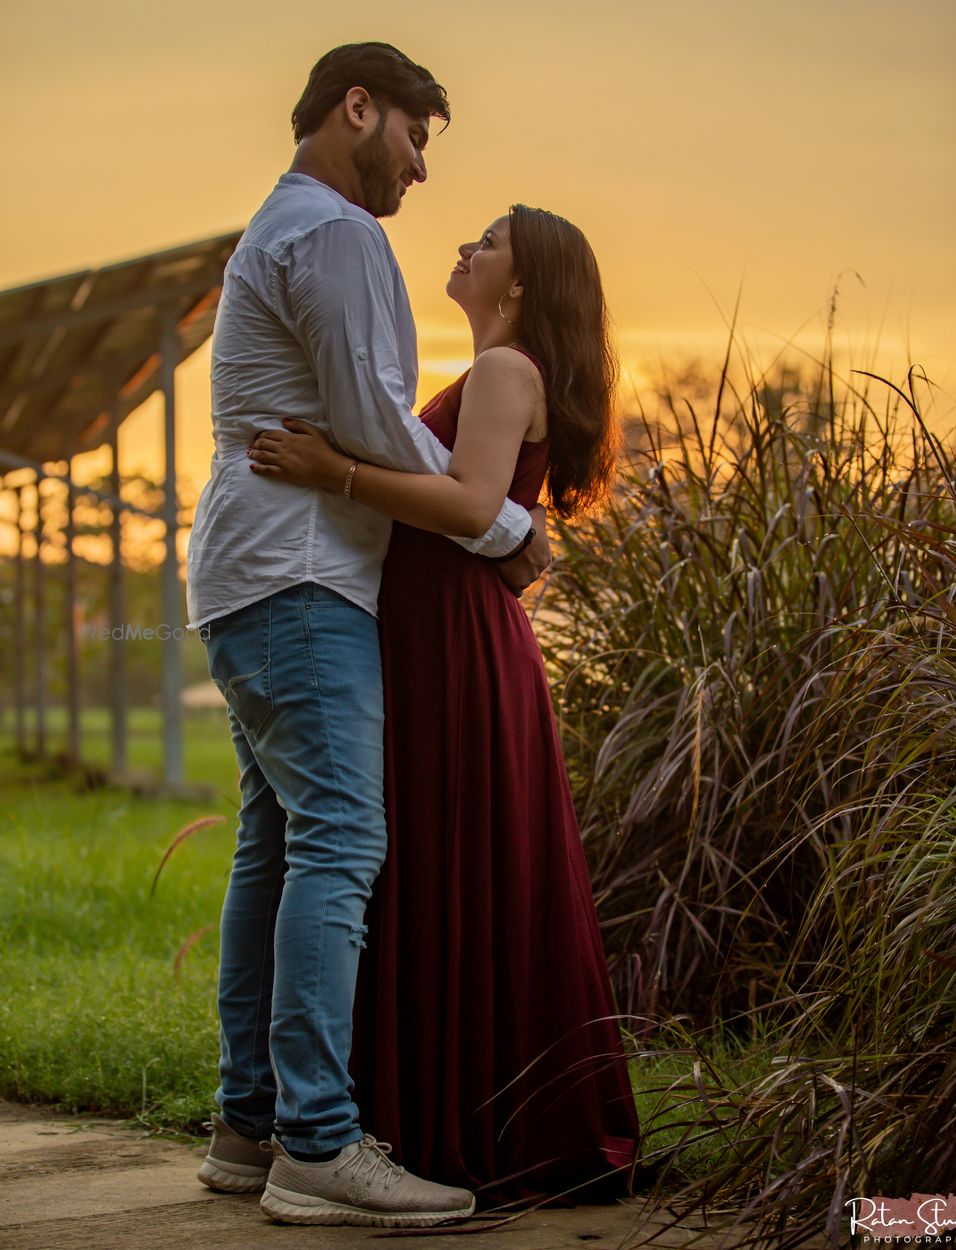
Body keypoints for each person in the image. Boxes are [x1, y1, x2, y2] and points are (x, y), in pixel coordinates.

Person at [184, 43, 550, 1229]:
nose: (420, 169)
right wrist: (505, 528)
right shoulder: (337, 234)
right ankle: (320, 1143)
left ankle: (248, 1124)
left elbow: (355, 422)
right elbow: (369, 423)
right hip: (299, 577)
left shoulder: (274, 229)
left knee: (277, 847)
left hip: (248, 571)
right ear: (357, 107)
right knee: (338, 842)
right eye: (414, 136)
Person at [247, 204, 641, 1203]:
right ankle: (415, 1115)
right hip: (437, 635)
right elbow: (487, 514)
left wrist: (329, 469)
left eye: (491, 240)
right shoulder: (487, 376)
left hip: (457, 645)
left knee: (442, 852)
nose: (467, 247)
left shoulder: (507, 373)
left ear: (521, 280)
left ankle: (438, 1119)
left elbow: (470, 505)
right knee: (433, 858)